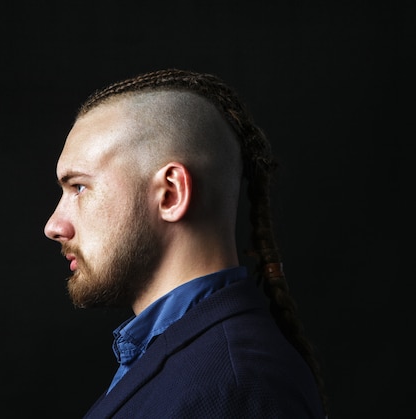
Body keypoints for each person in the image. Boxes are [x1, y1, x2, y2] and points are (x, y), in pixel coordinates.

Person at [43, 68, 328, 418]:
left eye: (79, 187)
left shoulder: (235, 386)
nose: (54, 225)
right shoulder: (181, 359)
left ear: (171, 194)